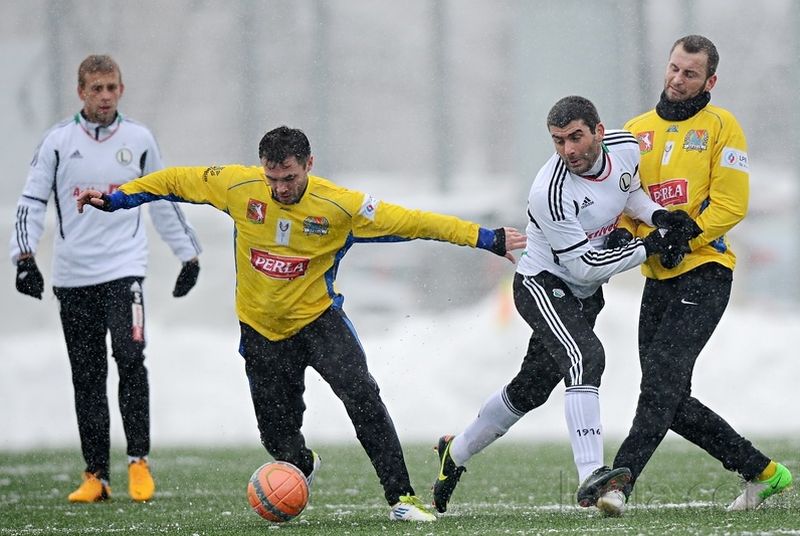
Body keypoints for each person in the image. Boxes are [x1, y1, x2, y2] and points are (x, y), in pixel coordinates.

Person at [76, 125, 527, 522]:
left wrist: (486, 238)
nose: (280, 187)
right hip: (261, 332)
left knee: (363, 398)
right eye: (272, 178)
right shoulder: (238, 186)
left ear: (309, 164)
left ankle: (401, 496)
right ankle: (301, 461)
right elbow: (175, 180)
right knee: (278, 442)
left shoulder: (340, 206)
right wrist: (117, 198)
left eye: (289, 177)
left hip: (320, 322)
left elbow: (413, 221)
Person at [431, 95, 697, 514]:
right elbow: (588, 266)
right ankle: (591, 473)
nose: (568, 150)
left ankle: (456, 454)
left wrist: (660, 216)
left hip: (582, 295)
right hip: (542, 284)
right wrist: (649, 247)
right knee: (587, 359)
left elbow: (628, 192)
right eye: (558, 141)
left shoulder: (628, 146)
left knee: (529, 390)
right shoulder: (549, 192)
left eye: (576, 137)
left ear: (599, 132)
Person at [596, 35, 793, 516]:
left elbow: (731, 203)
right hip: (657, 276)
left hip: (706, 272)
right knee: (668, 395)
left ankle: (617, 483)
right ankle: (764, 472)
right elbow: (622, 200)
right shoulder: (634, 129)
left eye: (690, 73)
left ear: (710, 80)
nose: (677, 79)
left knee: (660, 383)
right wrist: (625, 234)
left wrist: (689, 234)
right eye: (674, 68)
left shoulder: (724, 127)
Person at [10, 55, 202, 503]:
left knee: (131, 357)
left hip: (124, 269)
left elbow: (163, 196)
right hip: (74, 276)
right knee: (87, 374)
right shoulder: (58, 141)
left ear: (121, 89)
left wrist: (188, 256)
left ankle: (139, 463)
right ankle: (96, 475)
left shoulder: (139, 139)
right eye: (95, 88)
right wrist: (24, 258)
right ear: (81, 92)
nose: (104, 96)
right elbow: (31, 201)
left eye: (111, 87)